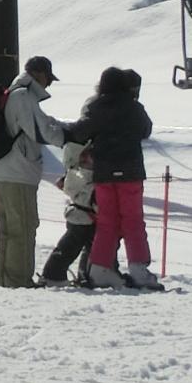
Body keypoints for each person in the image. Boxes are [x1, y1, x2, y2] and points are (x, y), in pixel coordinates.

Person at [62, 66, 161, 291]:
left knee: (107, 221)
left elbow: (80, 132)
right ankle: (138, 269)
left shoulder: (96, 106)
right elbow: (146, 130)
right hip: (130, 172)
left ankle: (99, 269)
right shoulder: (134, 107)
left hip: (104, 173)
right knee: (133, 220)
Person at [0, 56, 67, 289]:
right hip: (18, 171)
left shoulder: (14, 93)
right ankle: (19, 280)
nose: (48, 84)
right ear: (39, 74)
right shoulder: (23, 96)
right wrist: (68, 136)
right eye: (48, 78)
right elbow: (40, 130)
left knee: (8, 229)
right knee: (23, 228)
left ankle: (5, 278)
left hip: (4, 169)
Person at [40, 148, 100, 286]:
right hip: (85, 217)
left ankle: (56, 274)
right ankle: (56, 275)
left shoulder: (75, 175)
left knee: (71, 246)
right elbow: (93, 200)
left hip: (77, 215)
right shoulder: (90, 178)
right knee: (78, 247)